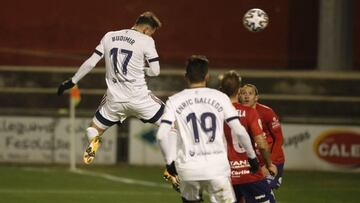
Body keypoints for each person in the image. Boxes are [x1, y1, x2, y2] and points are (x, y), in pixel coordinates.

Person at [57, 11, 167, 164]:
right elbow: (155, 71)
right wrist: (140, 69)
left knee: (93, 129)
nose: (150, 36)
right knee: (173, 123)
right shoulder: (146, 41)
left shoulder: (109, 36)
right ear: (146, 30)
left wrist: (72, 81)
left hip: (114, 101)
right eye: (151, 33)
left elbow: (91, 62)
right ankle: (173, 165)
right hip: (140, 99)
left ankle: (94, 140)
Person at [156, 55, 259, 203]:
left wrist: (169, 162)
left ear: (186, 76)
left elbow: (161, 135)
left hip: (188, 168)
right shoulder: (220, 97)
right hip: (216, 168)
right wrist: (252, 157)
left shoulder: (174, 100)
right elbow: (240, 130)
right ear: (207, 76)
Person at [219, 71, 277, 203]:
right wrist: (269, 164)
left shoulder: (215, 114)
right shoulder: (250, 112)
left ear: (221, 90)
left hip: (225, 175)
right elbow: (261, 143)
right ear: (239, 90)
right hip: (250, 173)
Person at [239, 84, 285, 190]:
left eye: (250, 94)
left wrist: (270, 163)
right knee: (248, 192)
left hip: (272, 160)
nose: (246, 96)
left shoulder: (267, 112)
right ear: (239, 96)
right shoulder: (237, 113)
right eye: (243, 93)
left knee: (264, 188)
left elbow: (279, 138)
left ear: (256, 98)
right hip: (253, 161)